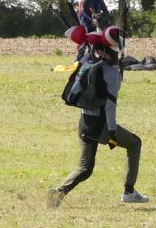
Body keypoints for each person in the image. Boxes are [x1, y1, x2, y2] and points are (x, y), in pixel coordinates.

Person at [49, 27, 148, 207]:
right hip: (101, 127)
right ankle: (129, 191)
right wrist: (112, 133)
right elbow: (110, 107)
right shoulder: (111, 74)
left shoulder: (87, 62)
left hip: (84, 125)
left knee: (85, 168)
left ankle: (58, 193)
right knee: (135, 143)